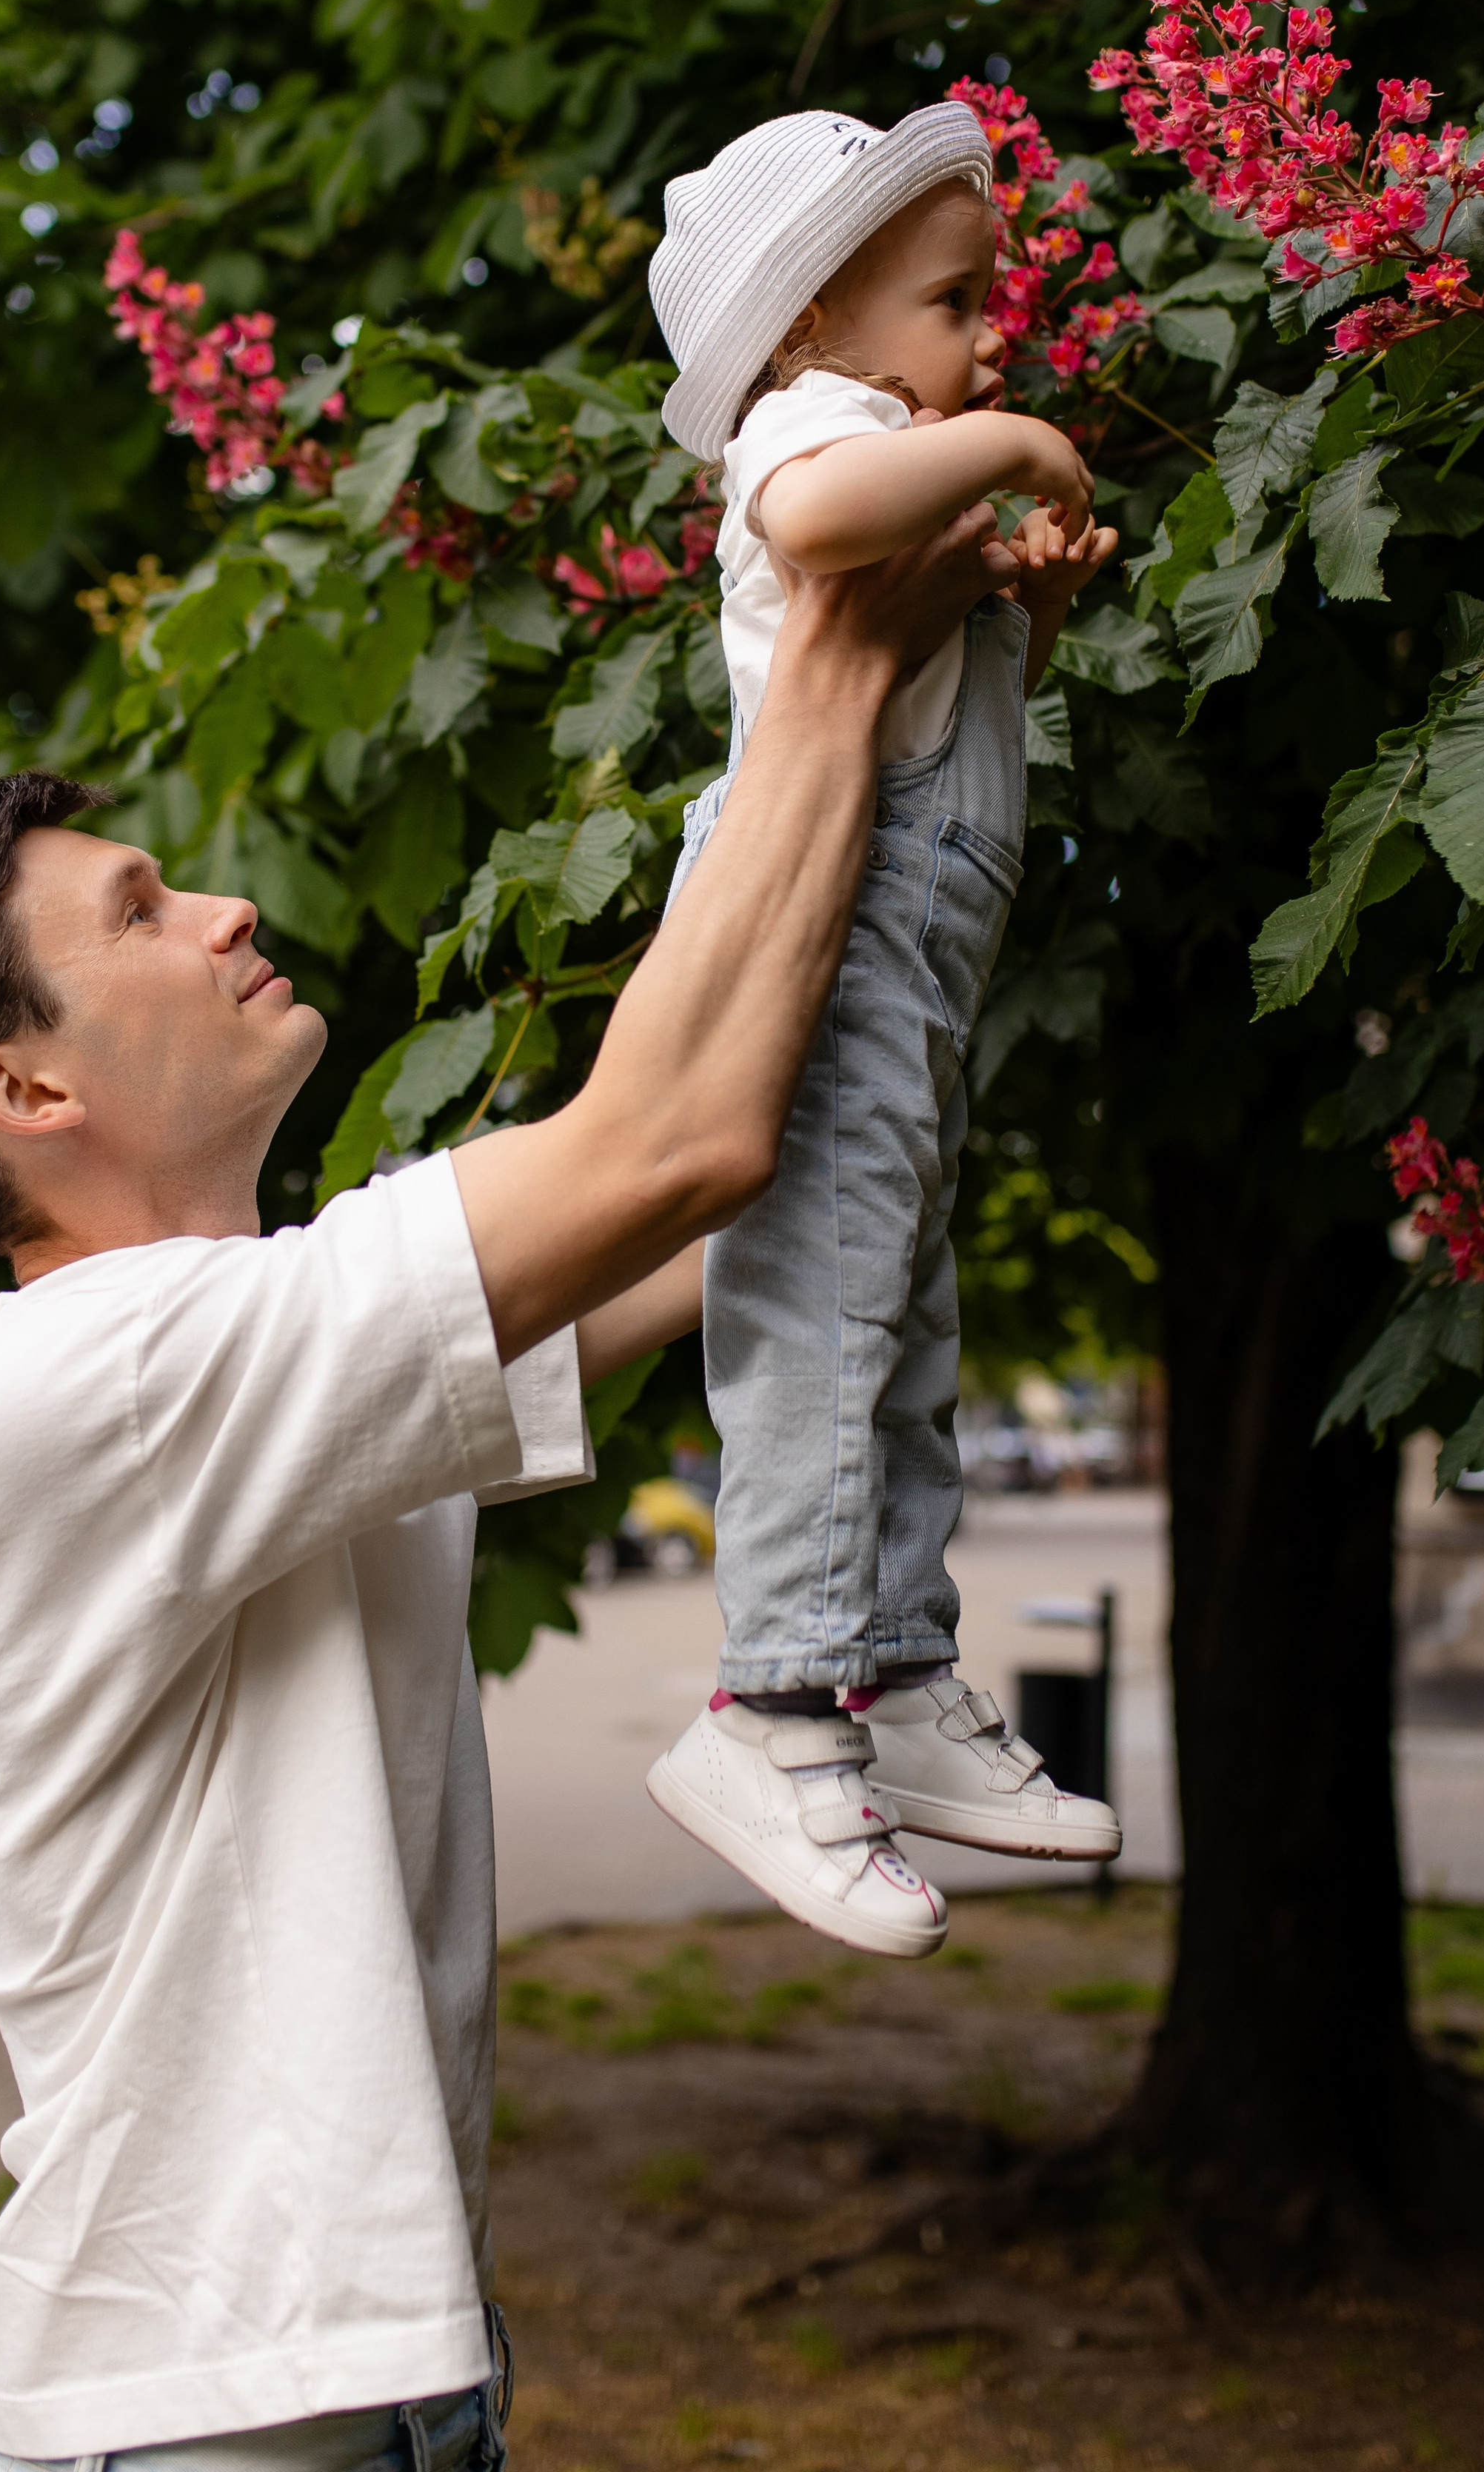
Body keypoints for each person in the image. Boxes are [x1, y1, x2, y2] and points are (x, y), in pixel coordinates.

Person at [0, 499, 1003, 2472]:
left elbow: (740, 1209)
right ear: (26, 1090)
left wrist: (952, 720)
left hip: (361, 2389)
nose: (226, 912)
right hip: (203, 2420)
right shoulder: (60, 1386)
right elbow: (673, 1142)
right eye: (143, 912)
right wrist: (832, 632)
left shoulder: (265, 1361)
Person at [641, 103, 1124, 1961]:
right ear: (808, 321)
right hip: (825, 937)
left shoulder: (907, 473)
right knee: (821, 1312)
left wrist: (1028, 608)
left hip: (907, 967)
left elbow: (952, 713)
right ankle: (769, 1711)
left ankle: (897, 1673)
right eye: (953, 302)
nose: (989, 338)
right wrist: (1008, 445)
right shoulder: (815, 429)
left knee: (901, 1319)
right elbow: (813, 518)